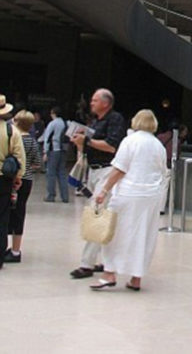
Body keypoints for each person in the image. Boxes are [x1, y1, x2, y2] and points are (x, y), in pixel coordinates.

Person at [89, 109, 168, 292]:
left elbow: (120, 169)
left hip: (129, 193)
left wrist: (104, 190)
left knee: (116, 233)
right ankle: (136, 278)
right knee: (144, 236)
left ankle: (109, 273)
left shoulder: (130, 141)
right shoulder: (158, 145)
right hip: (151, 196)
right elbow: (163, 171)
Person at [69, 88, 127, 279]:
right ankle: (105, 260)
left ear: (105, 103)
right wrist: (80, 142)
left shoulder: (115, 119)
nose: (91, 103)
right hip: (93, 170)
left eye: (95, 100)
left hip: (107, 170)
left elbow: (112, 146)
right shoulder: (96, 122)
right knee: (103, 214)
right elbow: (90, 144)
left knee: (96, 211)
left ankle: (86, 263)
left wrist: (88, 141)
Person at [5, 110, 40, 263]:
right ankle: (16, 248)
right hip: (27, 180)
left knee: (7, 212)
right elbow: (37, 163)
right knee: (20, 211)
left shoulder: (13, 137)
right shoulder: (32, 141)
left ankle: (9, 247)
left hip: (12, 179)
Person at [0, 99, 25, 270]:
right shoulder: (11, 131)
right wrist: (18, 177)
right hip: (4, 179)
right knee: (2, 218)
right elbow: (19, 157)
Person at [42, 106, 69, 203]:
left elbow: (47, 138)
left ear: (53, 113)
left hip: (53, 150)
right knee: (62, 173)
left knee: (51, 173)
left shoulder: (52, 124)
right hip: (63, 150)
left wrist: (45, 151)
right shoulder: (66, 123)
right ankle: (65, 196)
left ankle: (51, 195)